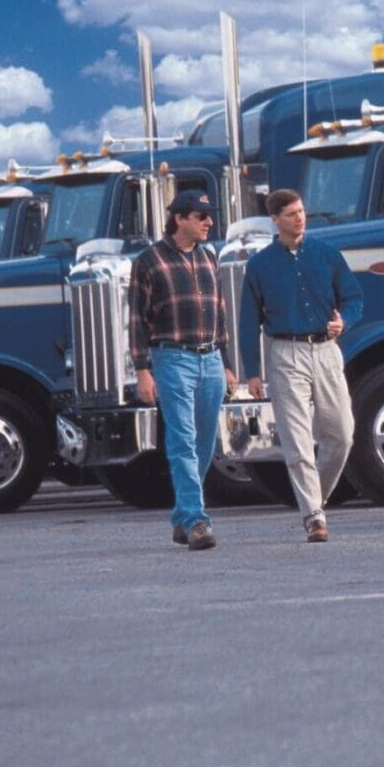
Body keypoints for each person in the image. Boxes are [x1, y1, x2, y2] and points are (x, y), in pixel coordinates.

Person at [240, 188, 362, 543]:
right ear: (275, 220)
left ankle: (314, 500)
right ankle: (313, 516)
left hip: (326, 350)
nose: (300, 218)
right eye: (291, 213)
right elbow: (249, 322)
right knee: (297, 439)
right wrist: (252, 372)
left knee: (341, 434)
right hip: (284, 352)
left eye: (302, 211)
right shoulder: (260, 265)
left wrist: (346, 321)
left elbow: (354, 298)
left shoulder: (327, 254)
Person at [129, 189, 236, 551]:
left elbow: (219, 314)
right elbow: (137, 321)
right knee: (183, 441)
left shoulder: (209, 257)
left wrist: (227, 363)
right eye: (201, 216)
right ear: (179, 218)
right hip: (172, 359)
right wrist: (143, 370)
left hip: (211, 359)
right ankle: (196, 522)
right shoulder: (149, 261)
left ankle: (182, 514)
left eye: (209, 216)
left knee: (205, 443)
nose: (209, 222)